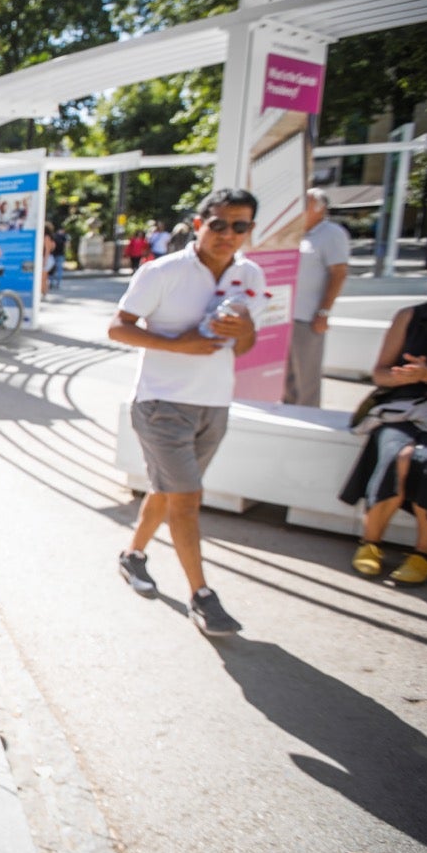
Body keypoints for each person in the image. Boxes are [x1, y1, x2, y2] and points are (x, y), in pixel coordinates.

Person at [110, 189, 263, 637]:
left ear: (249, 230)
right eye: (218, 224)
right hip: (161, 403)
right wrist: (176, 345)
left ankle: (132, 555)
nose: (228, 234)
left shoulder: (250, 274)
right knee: (187, 499)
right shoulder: (163, 271)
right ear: (199, 224)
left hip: (214, 404)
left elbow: (247, 347)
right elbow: (118, 327)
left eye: (239, 226)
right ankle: (203, 595)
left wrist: (246, 328)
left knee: (170, 492)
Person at [339, 253, 427, 584]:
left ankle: (424, 554)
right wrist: (400, 377)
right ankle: (370, 544)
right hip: (402, 408)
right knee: (394, 455)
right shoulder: (410, 316)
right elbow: (380, 373)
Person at [284, 189, 351, 407]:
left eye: (306, 203)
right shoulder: (294, 232)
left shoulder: (331, 233)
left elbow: (338, 273)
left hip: (307, 317)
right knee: (286, 378)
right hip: (282, 315)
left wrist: (324, 312)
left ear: (320, 208)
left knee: (306, 378)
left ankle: (308, 418)